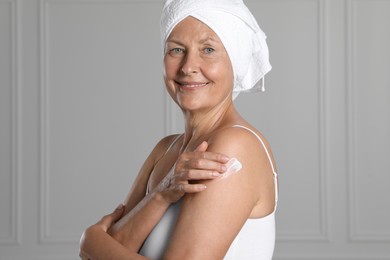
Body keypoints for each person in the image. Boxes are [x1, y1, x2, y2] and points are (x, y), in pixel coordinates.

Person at [79, 0, 278, 259]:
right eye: (176, 50)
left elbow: (104, 248)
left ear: (236, 60)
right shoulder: (165, 150)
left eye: (208, 49)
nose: (188, 67)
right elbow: (119, 243)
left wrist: (90, 243)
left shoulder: (235, 146)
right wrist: (160, 195)